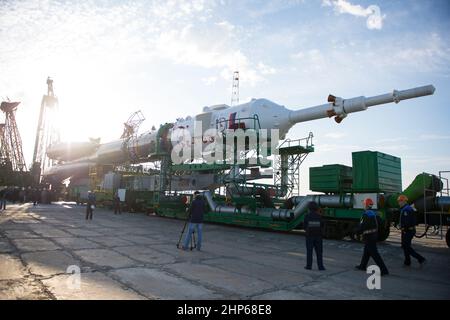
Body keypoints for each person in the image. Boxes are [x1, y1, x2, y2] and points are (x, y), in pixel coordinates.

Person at [355, 198, 389, 276]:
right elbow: (380, 224)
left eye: (364, 204)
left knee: (374, 254)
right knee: (366, 252)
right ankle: (362, 266)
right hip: (373, 236)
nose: (364, 206)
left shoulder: (366, 214)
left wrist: (357, 232)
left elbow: (362, 226)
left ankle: (384, 270)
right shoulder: (374, 214)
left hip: (368, 236)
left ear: (366, 205)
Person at [397, 195, 426, 266]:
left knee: (406, 247)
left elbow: (407, 222)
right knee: (405, 246)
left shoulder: (406, 210)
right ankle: (407, 262)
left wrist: (401, 226)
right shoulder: (408, 208)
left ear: (403, 201)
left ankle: (420, 258)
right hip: (408, 231)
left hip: (407, 231)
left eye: (399, 201)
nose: (398, 203)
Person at [303, 201, 325, 271]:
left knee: (309, 251)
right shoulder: (319, 216)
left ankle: (309, 266)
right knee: (319, 252)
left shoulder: (307, 216)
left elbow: (304, 226)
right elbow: (322, 225)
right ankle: (321, 267)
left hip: (309, 236)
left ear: (309, 208)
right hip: (318, 236)